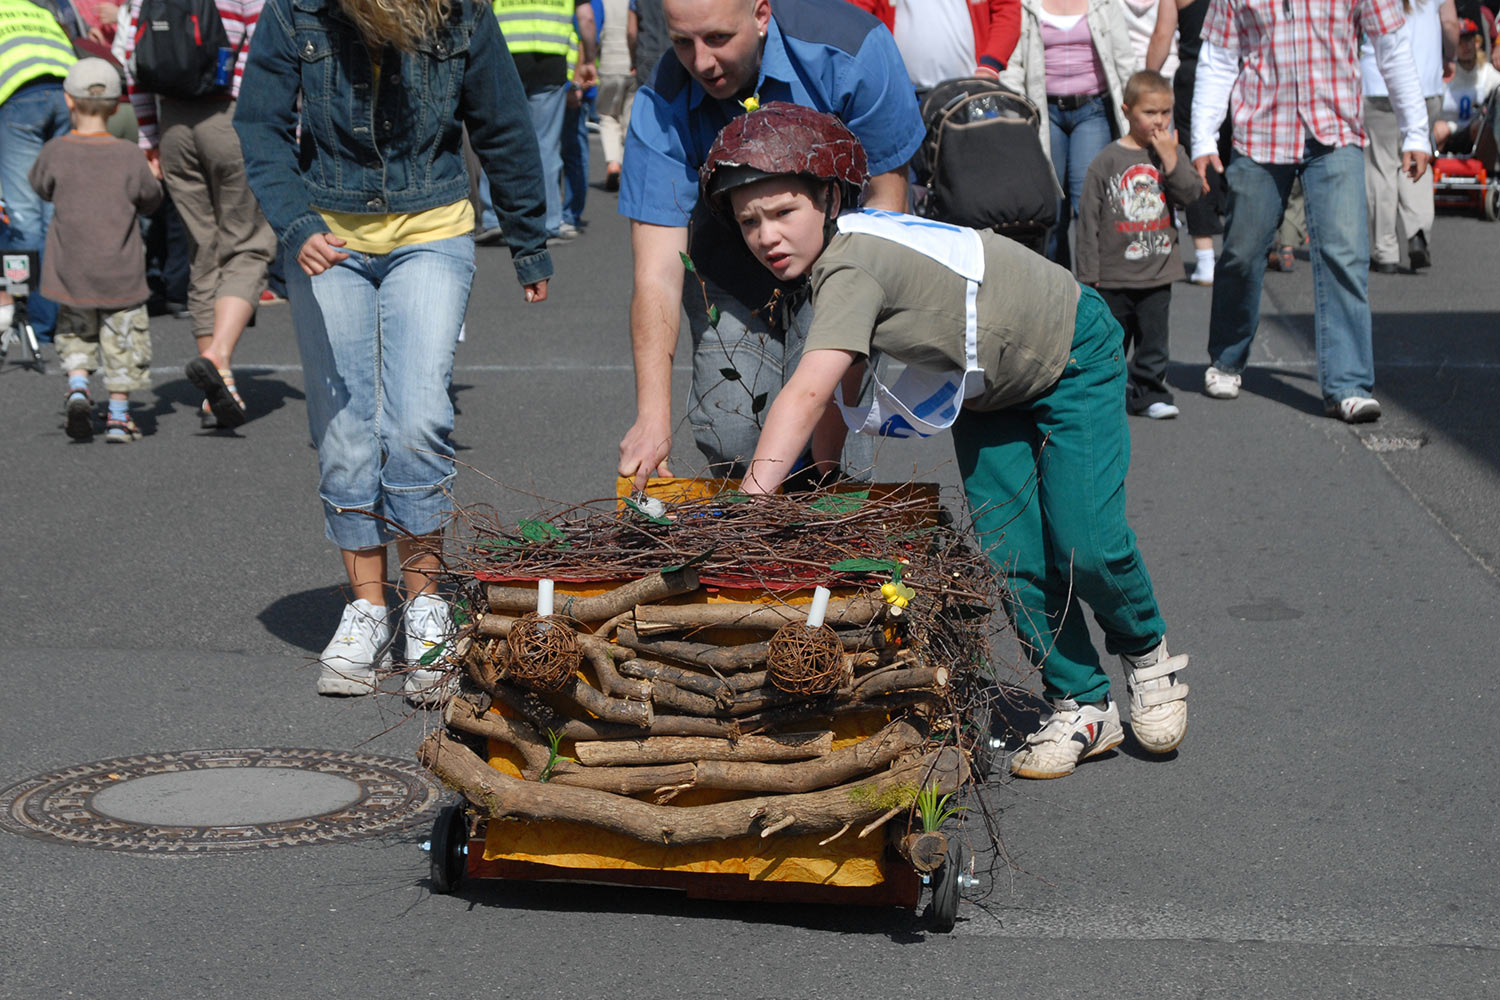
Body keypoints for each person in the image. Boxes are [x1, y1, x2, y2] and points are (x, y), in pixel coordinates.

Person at [705, 104, 1189, 777]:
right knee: (1009, 552)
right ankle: (1081, 701)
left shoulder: (850, 265)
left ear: (829, 199)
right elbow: (841, 386)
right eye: (750, 221)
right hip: (991, 389)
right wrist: (824, 476)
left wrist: (752, 505)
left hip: (1071, 351)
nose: (766, 235)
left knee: (1086, 539)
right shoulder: (836, 259)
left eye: (783, 212)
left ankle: (1148, 654)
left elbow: (808, 390)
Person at [234, 0, 552, 703]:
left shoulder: (460, 12)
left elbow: (500, 120)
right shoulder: (296, 11)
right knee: (347, 431)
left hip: (431, 227)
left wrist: (528, 237)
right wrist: (294, 221)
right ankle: (368, 611)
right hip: (327, 234)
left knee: (415, 419)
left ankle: (429, 605)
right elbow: (258, 123)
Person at [616, 0, 923, 491]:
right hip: (729, 263)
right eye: (682, 43)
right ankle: (754, 555)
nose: (700, 63)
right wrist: (651, 415)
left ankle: (830, 543)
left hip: (840, 256)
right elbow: (656, 271)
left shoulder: (852, 50)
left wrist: (851, 349)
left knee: (828, 442)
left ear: (761, 15)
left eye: (717, 38)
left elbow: (886, 206)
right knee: (734, 431)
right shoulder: (662, 99)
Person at [1191, 0, 1431, 424]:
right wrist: (1204, 138)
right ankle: (1227, 359)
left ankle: (1349, 384)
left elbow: (1391, 46)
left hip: (1335, 131)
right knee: (1242, 253)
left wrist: (1416, 130)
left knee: (1345, 255)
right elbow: (1219, 58)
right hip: (1261, 131)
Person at [120, 0, 277, 431]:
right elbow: (261, 50)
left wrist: (149, 136)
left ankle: (217, 388)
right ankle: (218, 356)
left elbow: (132, 62)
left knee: (201, 250)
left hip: (173, 124)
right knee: (249, 245)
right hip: (230, 117)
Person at [29, 56, 161, 442]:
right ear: (117, 105)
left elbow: (39, 185)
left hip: (70, 271)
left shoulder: (56, 151)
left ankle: (78, 387)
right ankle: (119, 417)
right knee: (123, 342)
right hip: (121, 273)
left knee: (75, 335)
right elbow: (151, 199)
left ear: (69, 102)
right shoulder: (127, 155)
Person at [1076, 69, 1199, 419]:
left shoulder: (1169, 152)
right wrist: (1088, 273)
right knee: (1110, 341)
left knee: (1154, 343)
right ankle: (1105, 395)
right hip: (1114, 274)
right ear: (1127, 111)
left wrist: (1172, 159)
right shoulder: (1107, 161)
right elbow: (1088, 219)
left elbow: (1189, 193)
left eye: (1165, 112)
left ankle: (1149, 393)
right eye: (1149, 113)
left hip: (1158, 269)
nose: (1158, 121)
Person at [1000, 0, 1136, 267]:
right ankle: (1058, 287)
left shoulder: (1104, 4)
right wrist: (1016, 106)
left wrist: (1140, 111)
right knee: (1050, 207)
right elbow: (1012, 65)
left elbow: (1125, 61)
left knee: (1087, 202)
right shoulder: (1027, 5)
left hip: (1092, 110)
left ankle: (1092, 286)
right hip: (1042, 112)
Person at [0, 0, 77, 345]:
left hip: (18, 101)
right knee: (56, 213)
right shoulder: (36, 8)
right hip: (68, 96)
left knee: (23, 219)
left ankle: (30, 321)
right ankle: (63, 316)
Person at [1363, 1, 1459, 274]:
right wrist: (1449, 57)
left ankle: (1385, 250)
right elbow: (1451, 24)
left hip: (1378, 80)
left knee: (1381, 167)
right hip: (1425, 80)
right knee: (1419, 153)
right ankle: (1417, 231)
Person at [491, 0, 598, 243]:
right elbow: (587, 18)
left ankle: (493, 217)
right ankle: (548, 221)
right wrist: (590, 59)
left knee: (497, 138)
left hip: (505, 55)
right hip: (550, 63)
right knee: (546, 146)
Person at [1148, 0, 1225, 285]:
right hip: (1238, 74)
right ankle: (1238, 251)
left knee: (1196, 164)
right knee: (1235, 162)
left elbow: (1162, 36)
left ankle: (1206, 258)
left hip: (1195, 76)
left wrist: (1149, 79)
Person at [848, 0, 1021, 93]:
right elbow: (855, 17)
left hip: (970, 90)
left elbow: (1007, 10)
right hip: (903, 96)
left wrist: (989, 67)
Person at [1434, 17, 1500, 152]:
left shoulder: (1486, 72)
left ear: (1476, 43)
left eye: (1469, 40)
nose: (1466, 46)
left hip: (1472, 135)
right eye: (1460, 42)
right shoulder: (1442, 72)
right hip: (1445, 132)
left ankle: (1491, 172)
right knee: (1439, 129)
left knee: (1483, 127)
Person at [596, 0, 635, 191]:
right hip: (633, 64)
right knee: (630, 120)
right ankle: (630, 169)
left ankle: (613, 163)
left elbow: (593, 27)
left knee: (607, 116)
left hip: (609, 64)